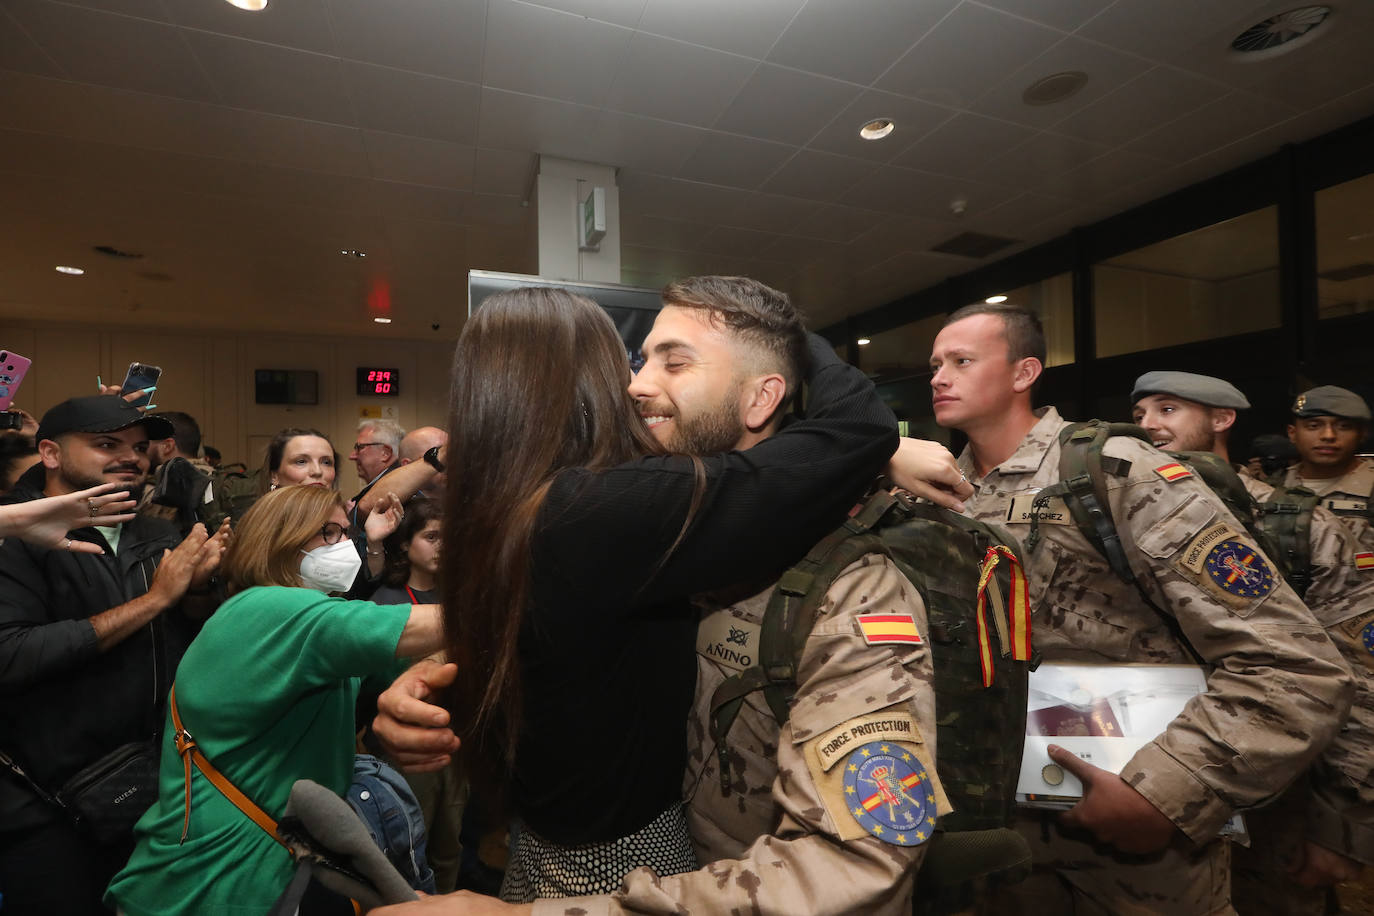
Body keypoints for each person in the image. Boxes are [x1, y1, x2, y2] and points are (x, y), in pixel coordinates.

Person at [372, 277, 972, 915]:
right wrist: (449, 680)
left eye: (673, 361)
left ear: (762, 397)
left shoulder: (846, 582)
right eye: (634, 362)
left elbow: (856, 866)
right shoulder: (638, 518)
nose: (632, 385)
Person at [927, 304, 1353, 914]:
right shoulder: (938, 494)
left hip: (1135, 845)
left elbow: (1293, 665)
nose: (940, 376)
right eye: (936, 364)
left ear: (1024, 373)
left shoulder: (1117, 474)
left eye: (962, 361)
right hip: (996, 839)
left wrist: (1170, 791)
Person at [105, 484, 445, 916]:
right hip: (207, 885)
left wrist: (411, 683)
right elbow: (427, 627)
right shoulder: (269, 609)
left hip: (251, 877)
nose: (345, 547)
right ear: (279, 542)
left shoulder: (311, 617)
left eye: (344, 533)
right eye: (328, 534)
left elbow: (409, 663)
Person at [1130, 370, 1374, 911]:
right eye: (1140, 414)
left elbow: (1359, 678)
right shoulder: (1116, 516)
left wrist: (1340, 826)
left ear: (1222, 420)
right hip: (1155, 791)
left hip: (1279, 801)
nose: (1148, 425)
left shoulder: (1298, 524)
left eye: (1167, 410)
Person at [0, 395, 229, 916]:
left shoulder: (155, 531)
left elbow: (185, 639)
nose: (131, 457)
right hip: (47, 803)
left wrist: (196, 592)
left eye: (139, 447)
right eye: (106, 444)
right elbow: (10, 655)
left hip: (155, 790)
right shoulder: (14, 533)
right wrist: (154, 601)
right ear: (51, 454)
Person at [1276, 385, 1374, 546]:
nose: (1328, 435)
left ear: (1362, 434)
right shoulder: (1273, 488)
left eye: (1343, 426)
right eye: (1314, 426)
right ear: (1292, 433)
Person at [355, 427, 448, 517]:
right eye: (436, 453)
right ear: (407, 465)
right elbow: (366, 507)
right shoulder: (398, 509)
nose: (447, 461)